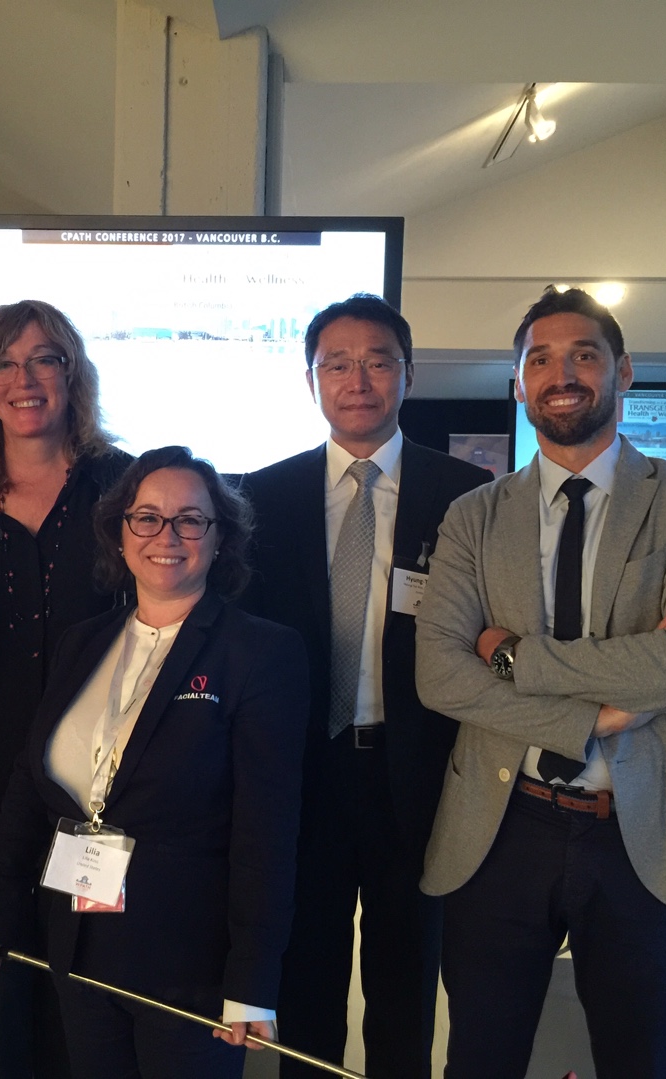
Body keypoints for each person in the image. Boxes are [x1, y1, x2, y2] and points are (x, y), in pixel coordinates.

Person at [415, 286, 666, 1079]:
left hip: (645, 827)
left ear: (623, 371)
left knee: (642, 1058)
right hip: (501, 824)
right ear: (519, 384)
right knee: (479, 1058)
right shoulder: (474, 515)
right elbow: (439, 672)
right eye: (540, 359)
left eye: (583, 355)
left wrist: (512, 656)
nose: (561, 374)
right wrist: (589, 718)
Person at [0, 446, 309, 1079]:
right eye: (146, 517)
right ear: (119, 532)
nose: (166, 536)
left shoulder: (260, 653)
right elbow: (29, 783)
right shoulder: (83, 642)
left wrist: (253, 980)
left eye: (190, 520)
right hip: (80, 946)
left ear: (220, 538)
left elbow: (267, 832)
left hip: (189, 966)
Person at [240, 293, 491, 1078]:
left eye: (379, 361)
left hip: (416, 776)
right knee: (305, 980)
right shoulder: (261, 497)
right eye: (337, 364)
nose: (358, 380)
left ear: (408, 374)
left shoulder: (467, 494)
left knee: (405, 986)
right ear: (311, 379)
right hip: (303, 775)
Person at [0, 299, 130, 1079]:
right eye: (4, 362)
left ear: (73, 376)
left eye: (45, 359)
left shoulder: (122, 483)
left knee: (84, 994)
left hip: (98, 791)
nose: (24, 377)